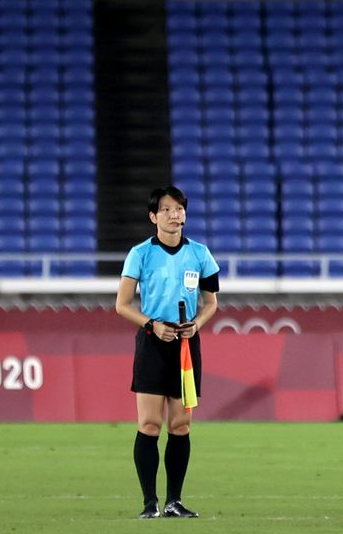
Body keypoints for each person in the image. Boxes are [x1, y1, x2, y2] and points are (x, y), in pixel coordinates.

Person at [115, 185, 219, 520]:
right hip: (152, 342)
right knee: (148, 424)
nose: (175, 215)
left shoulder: (200, 254)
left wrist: (197, 324)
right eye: (167, 210)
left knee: (181, 425)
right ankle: (149, 502)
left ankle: (174, 501)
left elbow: (211, 304)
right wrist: (151, 325)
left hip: (186, 345)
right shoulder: (140, 254)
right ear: (153, 217)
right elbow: (122, 304)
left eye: (179, 209)